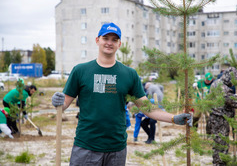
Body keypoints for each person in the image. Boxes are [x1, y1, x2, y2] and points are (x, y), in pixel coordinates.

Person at [51, 22, 192, 166]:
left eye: (114, 39)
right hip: (86, 147)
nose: (109, 43)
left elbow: (146, 108)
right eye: (106, 38)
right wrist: (57, 102)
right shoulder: (80, 71)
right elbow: (63, 105)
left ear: (119, 44)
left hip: (116, 150)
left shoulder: (129, 74)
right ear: (97, 40)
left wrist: (174, 118)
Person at [207, 67, 237, 165]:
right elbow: (234, 102)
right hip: (220, 120)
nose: (235, 82)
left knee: (219, 145)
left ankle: (218, 162)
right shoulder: (223, 88)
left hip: (215, 119)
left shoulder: (216, 83)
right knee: (221, 146)